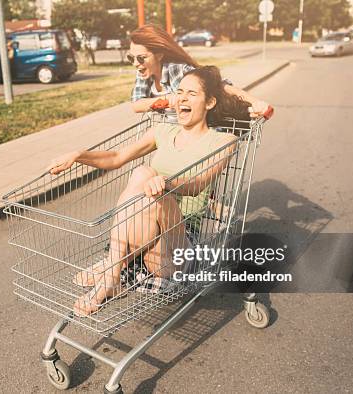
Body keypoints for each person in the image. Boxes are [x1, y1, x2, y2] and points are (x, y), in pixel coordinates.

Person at [48, 65, 254, 316]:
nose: (182, 99)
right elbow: (116, 157)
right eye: (179, 92)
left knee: (147, 177)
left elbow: (199, 183)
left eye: (192, 93)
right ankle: (114, 272)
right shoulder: (163, 132)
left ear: (210, 102)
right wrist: (79, 155)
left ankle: (112, 268)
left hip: (178, 248)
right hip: (148, 241)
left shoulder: (223, 141)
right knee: (142, 176)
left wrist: (166, 183)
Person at [128, 24, 268, 116]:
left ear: (159, 55)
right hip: (168, 134)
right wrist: (168, 99)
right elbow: (136, 105)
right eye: (131, 58)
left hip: (194, 134)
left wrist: (255, 102)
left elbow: (218, 85)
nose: (135, 63)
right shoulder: (144, 71)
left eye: (141, 58)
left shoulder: (177, 70)